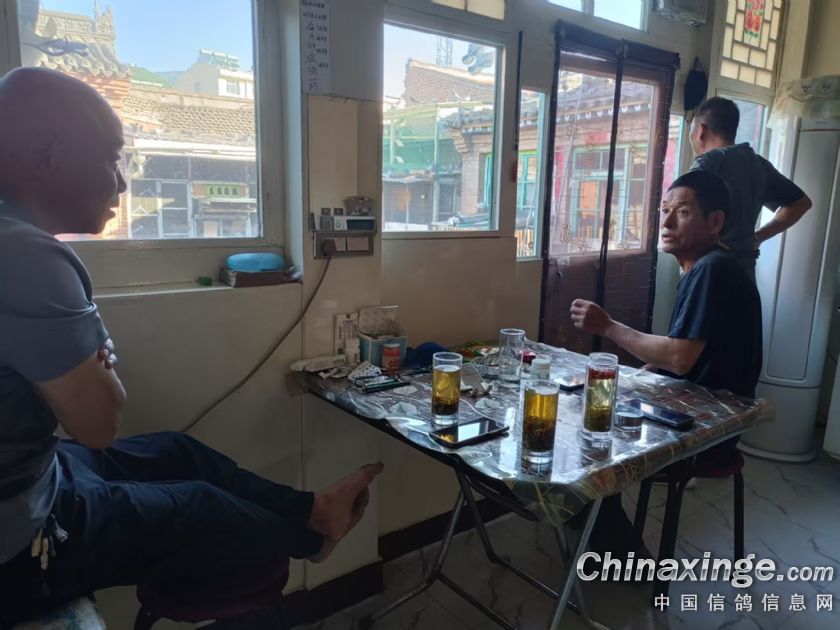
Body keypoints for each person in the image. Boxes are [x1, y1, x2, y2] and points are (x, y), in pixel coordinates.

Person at [0, 67, 382, 624]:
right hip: (20, 539)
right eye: (111, 158)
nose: (121, 183)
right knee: (201, 508)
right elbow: (99, 424)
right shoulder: (26, 256)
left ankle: (314, 510)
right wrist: (100, 361)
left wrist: (96, 360)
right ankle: (312, 538)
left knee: (177, 451)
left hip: (40, 474)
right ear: (46, 154)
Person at [569, 169, 762, 554]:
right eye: (664, 210)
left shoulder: (712, 270)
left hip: (708, 431)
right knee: (585, 408)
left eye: (683, 212)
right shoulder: (706, 268)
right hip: (693, 412)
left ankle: (621, 557)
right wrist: (643, 373)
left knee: (591, 437)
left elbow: (679, 357)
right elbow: (690, 351)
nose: (668, 222)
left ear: (715, 222)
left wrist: (607, 326)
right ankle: (595, 535)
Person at [688, 96, 812, 280]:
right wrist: (758, 236)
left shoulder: (707, 163)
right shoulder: (757, 163)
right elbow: (801, 203)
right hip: (744, 273)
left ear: (701, 130)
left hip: (708, 273)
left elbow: (682, 213)